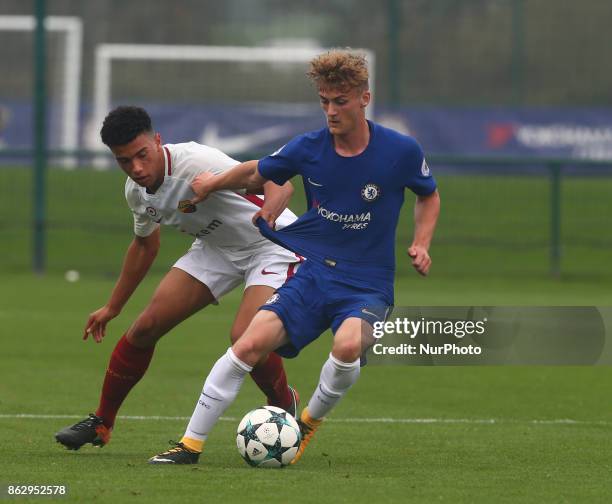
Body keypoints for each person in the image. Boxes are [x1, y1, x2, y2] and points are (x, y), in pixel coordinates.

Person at [149, 49, 440, 465]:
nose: (331, 111)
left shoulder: (401, 151)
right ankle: (189, 445)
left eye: (340, 101)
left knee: (348, 344)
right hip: (313, 275)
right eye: (324, 101)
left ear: (364, 98)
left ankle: (305, 425)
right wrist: (213, 184)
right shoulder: (309, 148)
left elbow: (429, 196)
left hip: (368, 282)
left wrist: (422, 242)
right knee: (247, 343)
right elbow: (257, 172)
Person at [54, 106, 302, 457]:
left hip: (270, 243)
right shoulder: (136, 192)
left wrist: (269, 213)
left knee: (245, 336)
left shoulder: (195, 160)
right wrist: (113, 307)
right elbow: (144, 245)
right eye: (125, 161)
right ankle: (102, 423)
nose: (137, 168)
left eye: (142, 155)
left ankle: (283, 406)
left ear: (157, 141)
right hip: (216, 248)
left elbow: (278, 180)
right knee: (144, 329)